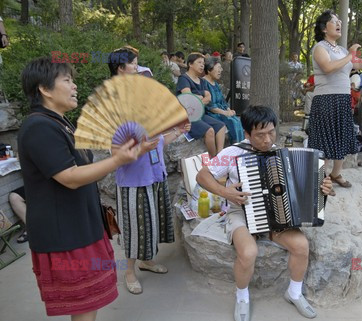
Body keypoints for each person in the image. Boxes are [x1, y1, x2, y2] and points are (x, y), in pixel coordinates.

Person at [18, 56, 140, 320]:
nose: (74, 86)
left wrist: (116, 152)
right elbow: (70, 176)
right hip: (65, 235)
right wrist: (117, 160)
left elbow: (81, 164)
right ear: (45, 88)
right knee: (84, 304)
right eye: (67, 80)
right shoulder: (39, 127)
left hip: (80, 227)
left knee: (88, 304)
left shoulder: (59, 122)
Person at [196, 105, 333, 321]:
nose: (267, 140)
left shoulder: (282, 154)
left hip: (277, 216)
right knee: (248, 252)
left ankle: (294, 293)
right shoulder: (232, 153)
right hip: (240, 211)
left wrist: (323, 189)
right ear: (247, 134)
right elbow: (202, 175)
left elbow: (306, 189)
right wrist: (225, 192)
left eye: (271, 132)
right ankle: (242, 297)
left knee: (301, 246)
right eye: (260, 135)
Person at [107, 47, 191, 295]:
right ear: (122, 69)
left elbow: (158, 140)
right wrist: (142, 148)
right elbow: (116, 153)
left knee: (151, 223)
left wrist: (177, 132)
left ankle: (146, 261)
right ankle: (129, 271)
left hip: (155, 174)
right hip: (134, 180)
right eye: (134, 65)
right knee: (134, 227)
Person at [307, 10, 362, 194]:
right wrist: (350, 55)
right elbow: (328, 67)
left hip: (343, 99)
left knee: (341, 137)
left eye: (339, 21)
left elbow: (358, 64)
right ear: (323, 28)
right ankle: (323, 179)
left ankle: (336, 174)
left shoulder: (342, 51)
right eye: (334, 21)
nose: (339, 24)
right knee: (324, 140)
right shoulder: (320, 47)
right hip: (326, 100)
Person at [176, 53, 226, 158]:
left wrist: (197, 98)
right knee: (210, 131)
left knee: (221, 126)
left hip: (200, 114)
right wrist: (200, 97)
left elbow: (209, 98)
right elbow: (188, 99)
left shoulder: (202, 81)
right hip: (188, 116)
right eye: (199, 62)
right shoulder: (184, 79)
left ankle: (220, 155)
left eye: (203, 63)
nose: (202, 65)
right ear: (190, 64)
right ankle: (213, 160)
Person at [203, 57, 244, 143]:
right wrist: (225, 113)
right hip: (211, 113)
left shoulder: (216, 84)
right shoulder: (203, 83)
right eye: (218, 68)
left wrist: (229, 110)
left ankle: (241, 146)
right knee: (232, 121)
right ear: (209, 70)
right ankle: (235, 146)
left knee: (237, 120)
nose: (220, 70)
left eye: (220, 68)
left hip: (221, 111)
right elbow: (210, 106)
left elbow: (222, 100)